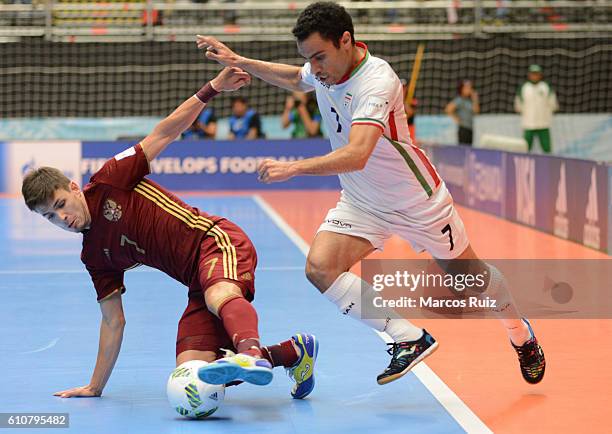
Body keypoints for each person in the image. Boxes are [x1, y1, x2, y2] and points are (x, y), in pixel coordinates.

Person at [197, 1, 545, 386]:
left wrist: (293, 166)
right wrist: (238, 60)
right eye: (309, 58)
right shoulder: (325, 72)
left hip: (418, 203)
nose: (314, 68)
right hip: (364, 201)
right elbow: (297, 80)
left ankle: (520, 334)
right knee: (320, 268)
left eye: (319, 57)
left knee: (474, 281)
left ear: (346, 41)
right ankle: (409, 337)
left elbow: (358, 153)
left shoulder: (377, 81)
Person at [21, 66, 318, 399]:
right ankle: (292, 352)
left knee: (218, 295)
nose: (61, 217)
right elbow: (112, 321)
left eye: (61, 204)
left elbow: (164, 132)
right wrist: (95, 386)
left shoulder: (109, 180)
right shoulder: (93, 255)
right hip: (195, 281)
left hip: (216, 241)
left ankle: (250, 354)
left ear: (74, 187)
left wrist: (212, 89)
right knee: (189, 382)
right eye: (49, 216)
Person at [514, 64, 558, 154]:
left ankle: (548, 165)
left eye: (536, 74)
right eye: (532, 74)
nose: (534, 76)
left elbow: (553, 105)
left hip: (543, 123)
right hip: (528, 124)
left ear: (540, 75)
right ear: (529, 75)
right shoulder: (523, 88)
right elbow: (518, 107)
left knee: (547, 149)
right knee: (525, 149)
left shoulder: (546, 87)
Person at [445, 79, 479, 146]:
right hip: (463, 128)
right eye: (466, 88)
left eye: (470, 88)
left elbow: (476, 111)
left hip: (470, 128)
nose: (469, 89)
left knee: (469, 148)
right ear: (462, 89)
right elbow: (448, 109)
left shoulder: (469, 101)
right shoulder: (459, 100)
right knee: (463, 148)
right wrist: (456, 118)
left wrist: (475, 99)